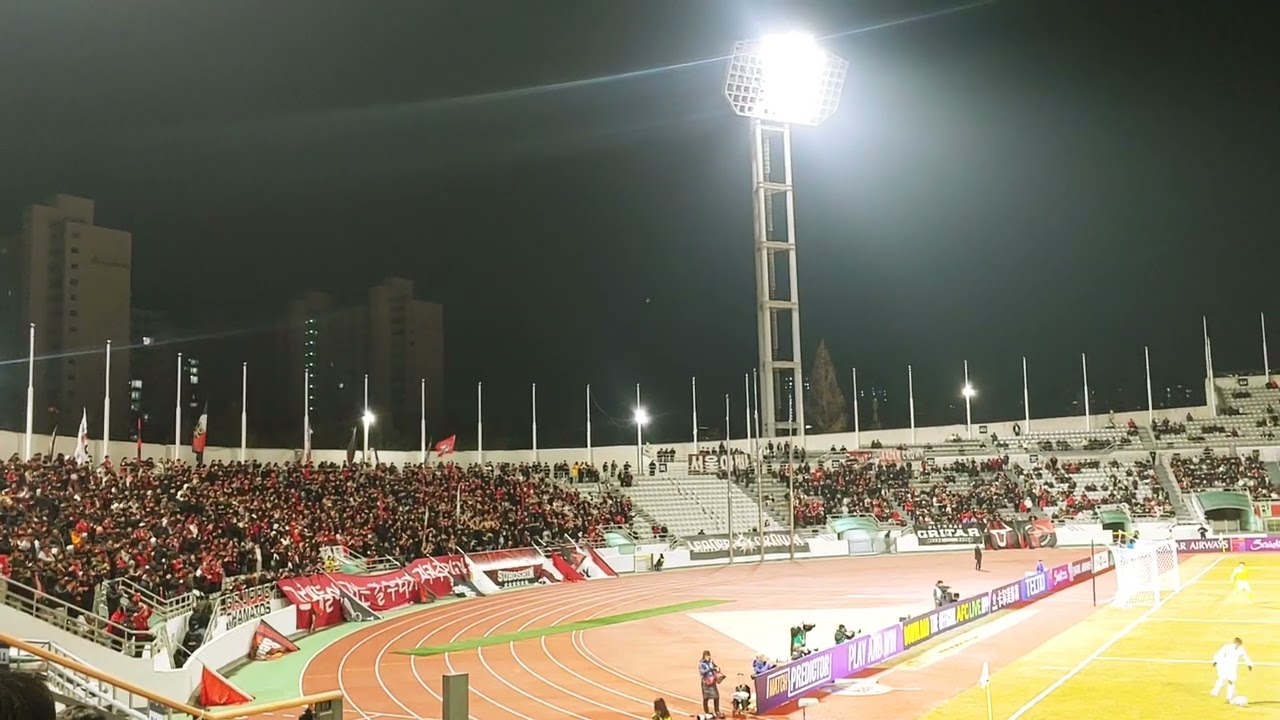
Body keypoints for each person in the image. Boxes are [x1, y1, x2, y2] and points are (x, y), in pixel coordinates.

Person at [1211, 637, 1253, 703]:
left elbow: (1245, 657)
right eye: (1238, 643)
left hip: (1232, 668)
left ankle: (1228, 697)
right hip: (1224, 666)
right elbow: (1219, 653)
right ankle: (1214, 692)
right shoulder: (1227, 647)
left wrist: (1249, 664)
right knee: (1222, 679)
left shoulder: (1241, 649)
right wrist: (1215, 661)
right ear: (1235, 642)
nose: (1238, 645)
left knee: (1231, 681)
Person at [699, 650, 725, 718]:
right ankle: (707, 712)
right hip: (705, 682)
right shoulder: (701, 664)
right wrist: (710, 669)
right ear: (704, 656)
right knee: (706, 698)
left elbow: (716, 668)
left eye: (708, 656)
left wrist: (717, 669)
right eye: (706, 656)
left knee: (716, 697)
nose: (708, 657)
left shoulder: (711, 662)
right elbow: (702, 672)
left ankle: (717, 711)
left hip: (712, 682)